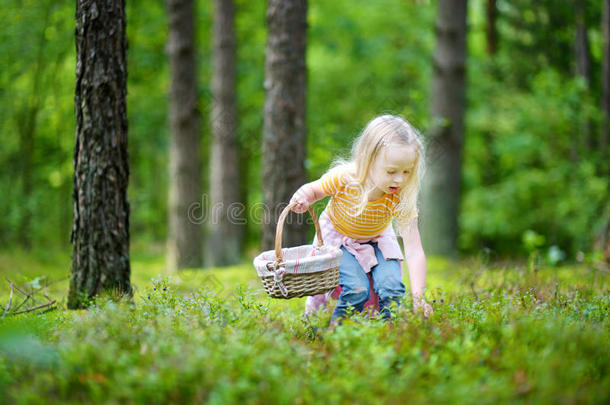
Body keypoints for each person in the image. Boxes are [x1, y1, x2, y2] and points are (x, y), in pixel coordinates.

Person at [289, 114, 433, 323]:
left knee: (391, 288)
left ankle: (387, 338)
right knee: (356, 289)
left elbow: (413, 249)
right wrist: (303, 198)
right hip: (339, 239)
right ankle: (333, 334)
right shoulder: (345, 178)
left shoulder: (401, 194)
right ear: (368, 159)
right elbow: (313, 190)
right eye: (391, 171)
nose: (400, 179)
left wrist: (420, 298)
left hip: (377, 238)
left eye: (407, 172)